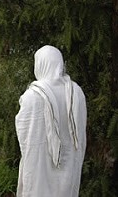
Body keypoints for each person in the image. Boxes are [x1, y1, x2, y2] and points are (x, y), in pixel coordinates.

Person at [15, 45, 87, 197]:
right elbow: (80, 134)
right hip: (69, 166)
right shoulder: (77, 93)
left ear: (39, 64)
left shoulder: (32, 97)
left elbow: (25, 136)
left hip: (39, 168)